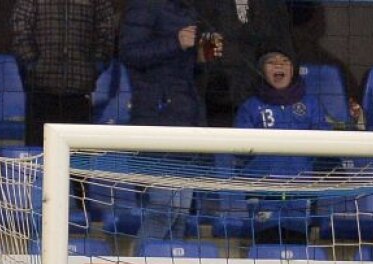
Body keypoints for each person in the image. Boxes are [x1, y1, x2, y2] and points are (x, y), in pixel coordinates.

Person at [119, 0, 211, 246]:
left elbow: (182, 73)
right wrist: (175, 42)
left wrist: (199, 58)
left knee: (180, 215)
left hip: (186, 118)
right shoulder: (144, 6)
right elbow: (129, 52)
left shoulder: (190, 10)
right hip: (156, 118)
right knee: (163, 210)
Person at [233, 45, 330, 244]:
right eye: (272, 62)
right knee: (265, 245)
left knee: (298, 246)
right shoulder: (250, 107)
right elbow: (239, 149)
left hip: (301, 191)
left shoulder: (311, 104)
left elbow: (325, 143)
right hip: (263, 192)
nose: (279, 65)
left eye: (285, 61)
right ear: (261, 70)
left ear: (293, 70)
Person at [11, 0, 116, 148]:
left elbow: (106, 28)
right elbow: (20, 26)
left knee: (77, 160)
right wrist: (32, 63)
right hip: (41, 91)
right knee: (39, 156)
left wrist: (96, 65)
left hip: (79, 92)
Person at [193, 0, 294, 128]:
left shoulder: (269, 6)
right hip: (216, 100)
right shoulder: (204, 6)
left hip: (259, 95)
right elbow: (201, 49)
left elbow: (281, 45)